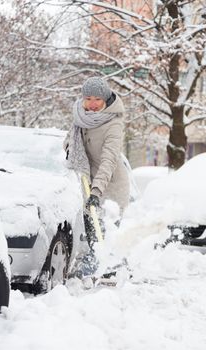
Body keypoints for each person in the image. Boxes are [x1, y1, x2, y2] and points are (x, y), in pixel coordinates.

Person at [64, 76, 130, 245]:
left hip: (111, 188)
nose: (92, 104)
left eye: (97, 99)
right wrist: (70, 148)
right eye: (88, 99)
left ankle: (114, 270)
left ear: (105, 99)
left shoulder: (113, 124)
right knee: (93, 239)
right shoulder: (81, 118)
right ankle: (98, 269)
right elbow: (70, 141)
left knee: (107, 240)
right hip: (89, 185)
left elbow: (109, 161)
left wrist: (96, 192)